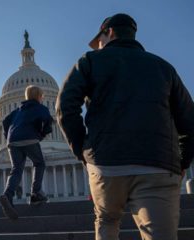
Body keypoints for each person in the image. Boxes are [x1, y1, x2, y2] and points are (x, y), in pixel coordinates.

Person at [56, 13, 194, 240]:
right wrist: (182, 162)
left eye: (98, 40)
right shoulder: (164, 67)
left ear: (109, 32)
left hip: (106, 163)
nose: (98, 45)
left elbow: (64, 107)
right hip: (157, 163)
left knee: (107, 221)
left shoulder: (90, 60)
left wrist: (83, 149)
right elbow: (190, 120)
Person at [0, 85, 53, 220]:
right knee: (39, 163)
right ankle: (35, 193)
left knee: (16, 170)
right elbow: (48, 121)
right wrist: (42, 134)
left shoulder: (18, 110)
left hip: (13, 141)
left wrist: (8, 135)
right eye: (41, 96)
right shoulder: (41, 108)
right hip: (30, 139)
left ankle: (7, 195)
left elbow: (5, 121)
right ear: (39, 97)